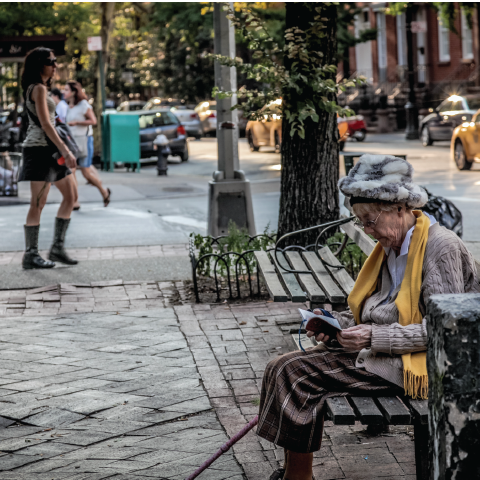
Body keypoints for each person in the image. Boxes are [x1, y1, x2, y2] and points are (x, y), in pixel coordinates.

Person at [257, 155, 479, 480]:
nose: (368, 229)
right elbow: (374, 310)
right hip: (386, 351)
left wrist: (372, 338)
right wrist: (334, 325)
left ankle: (297, 476)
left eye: (370, 220)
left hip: (417, 365)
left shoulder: (438, 248)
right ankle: (296, 472)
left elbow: (442, 332)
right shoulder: (393, 245)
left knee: (293, 374)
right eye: (362, 222)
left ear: (401, 207)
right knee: (285, 368)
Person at [19, 47, 78, 269]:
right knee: (38, 202)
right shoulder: (38, 89)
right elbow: (46, 124)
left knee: (71, 196)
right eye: (51, 61)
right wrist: (66, 150)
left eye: (55, 61)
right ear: (40, 65)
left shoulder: (41, 88)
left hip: (50, 150)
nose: (55, 65)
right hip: (40, 149)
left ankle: (57, 248)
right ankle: (30, 255)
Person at [64, 81, 110, 209]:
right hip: (73, 142)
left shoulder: (83, 105)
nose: (64, 92)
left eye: (66, 89)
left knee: (86, 173)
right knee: (71, 171)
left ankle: (104, 191)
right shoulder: (69, 106)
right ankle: (75, 201)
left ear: (73, 92)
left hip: (84, 141)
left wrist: (77, 122)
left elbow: (93, 121)